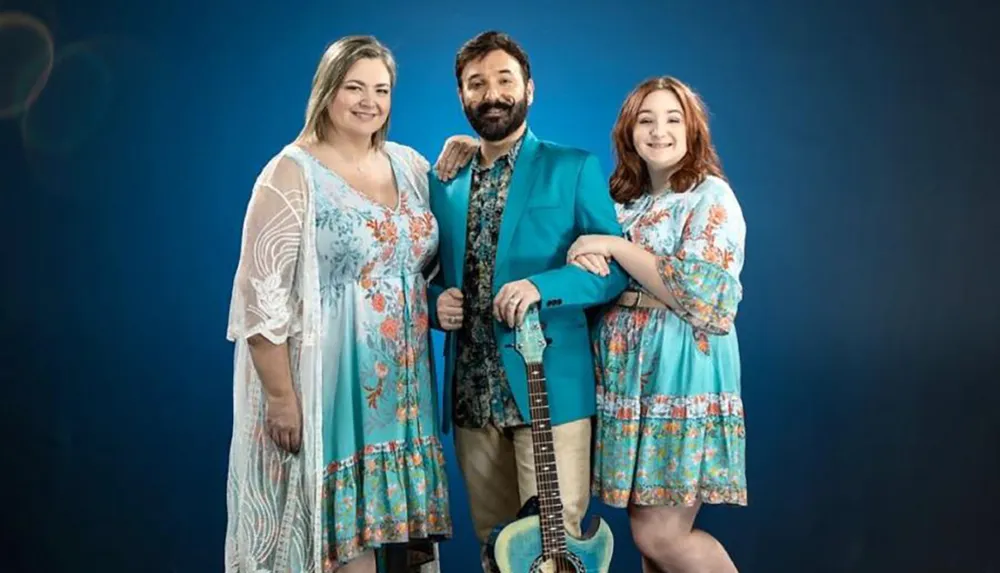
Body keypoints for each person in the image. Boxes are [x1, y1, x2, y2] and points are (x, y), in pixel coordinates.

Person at [224, 35, 476, 573]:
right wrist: (281, 398)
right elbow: (259, 298)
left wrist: (470, 145)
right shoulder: (291, 173)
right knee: (342, 555)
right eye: (354, 87)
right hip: (330, 390)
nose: (369, 101)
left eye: (381, 90)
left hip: (401, 399)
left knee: (402, 552)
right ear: (327, 92)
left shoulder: (408, 165)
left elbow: (422, 266)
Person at [425, 30, 629, 571]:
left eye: (504, 80)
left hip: (550, 394)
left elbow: (611, 275)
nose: (491, 93)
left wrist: (543, 287)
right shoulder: (442, 181)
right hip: (472, 398)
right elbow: (423, 275)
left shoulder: (573, 168)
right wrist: (433, 303)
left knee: (553, 553)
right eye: (476, 84)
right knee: (497, 553)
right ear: (462, 97)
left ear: (529, 90)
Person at [566, 76, 747, 573]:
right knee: (649, 546)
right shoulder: (623, 199)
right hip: (628, 378)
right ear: (629, 132)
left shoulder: (710, 197)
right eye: (646, 120)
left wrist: (616, 248)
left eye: (672, 119)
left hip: (679, 373)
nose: (659, 131)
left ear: (692, 130)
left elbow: (703, 296)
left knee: (660, 535)